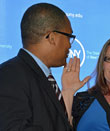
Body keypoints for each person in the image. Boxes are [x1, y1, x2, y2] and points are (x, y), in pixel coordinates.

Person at [0, 3, 88, 131]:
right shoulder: (10, 75)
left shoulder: (39, 76)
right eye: (69, 37)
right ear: (52, 37)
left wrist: (68, 92)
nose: (70, 46)